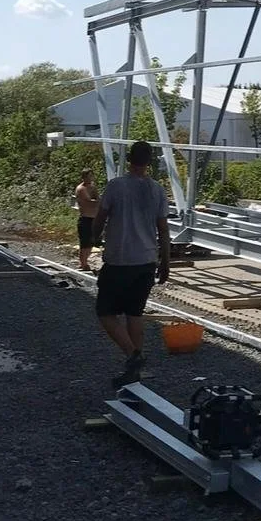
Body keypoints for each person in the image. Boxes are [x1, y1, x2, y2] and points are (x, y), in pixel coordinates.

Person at [93, 140, 170, 386]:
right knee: (134, 313)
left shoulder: (116, 187)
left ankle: (133, 355)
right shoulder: (157, 190)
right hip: (146, 260)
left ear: (129, 160)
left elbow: (100, 217)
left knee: (105, 312)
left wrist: (93, 237)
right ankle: (133, 372)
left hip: (119, 260)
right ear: (149, 162)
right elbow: (163, 230)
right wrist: (165, 261)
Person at [73, 168, 100, 271]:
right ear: (83, 177)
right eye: (87, 176)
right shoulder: (81, 188)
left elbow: (97, 196)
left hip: (93, 218)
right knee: (84, 243)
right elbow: (90, 201)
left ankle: (85, 261)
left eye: (91, 176)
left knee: (91, 242)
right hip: (85, 218)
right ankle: (83, 263)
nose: (90, 178)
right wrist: (99, 201)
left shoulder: (92, 186)